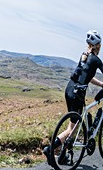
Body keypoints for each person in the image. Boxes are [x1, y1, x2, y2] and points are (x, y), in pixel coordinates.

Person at [43, 30, 103, 162]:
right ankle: (50, 149)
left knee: (72, 123)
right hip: (78, 94)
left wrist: (101, 84)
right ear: (98, 46)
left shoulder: (84, 56)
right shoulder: (97, 60)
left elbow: (87, 76)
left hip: (70, 89)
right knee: (72, 128)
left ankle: (63, 155)